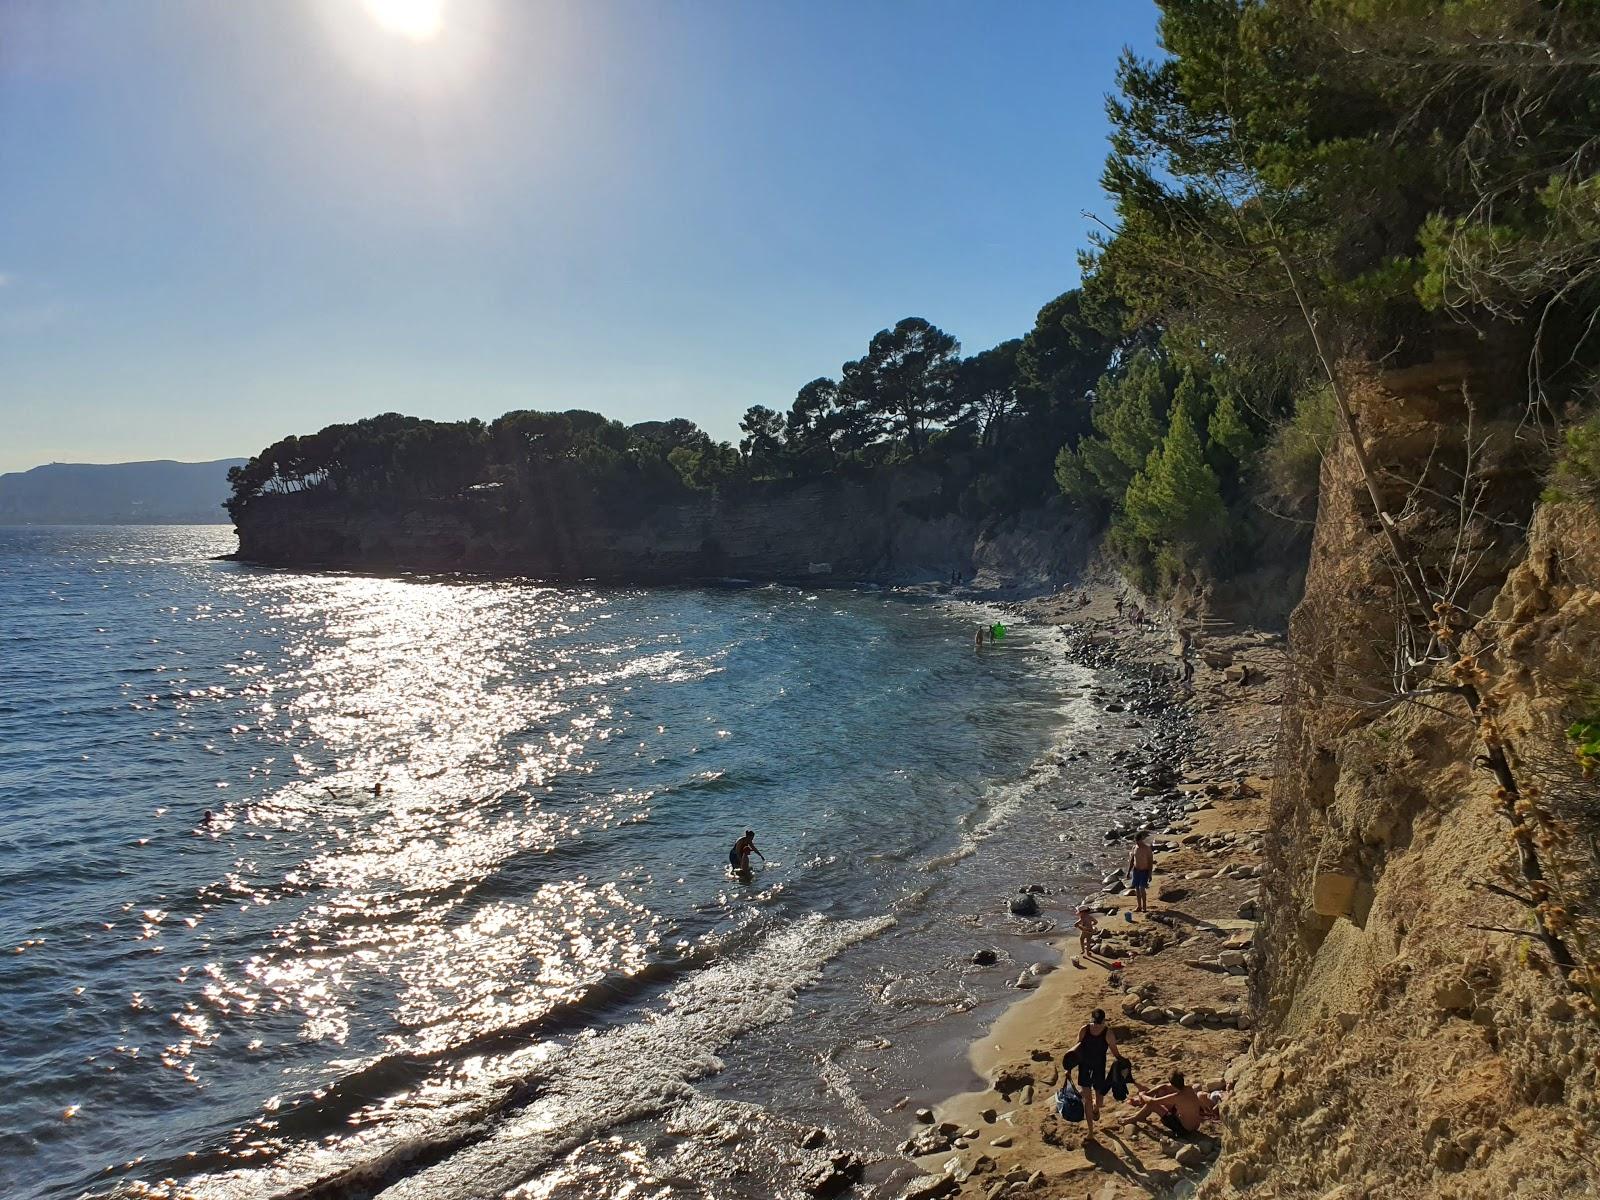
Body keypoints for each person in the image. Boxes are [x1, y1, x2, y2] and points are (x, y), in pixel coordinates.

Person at [1069, 1008, 1123, 1140]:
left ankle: (1096, 1108)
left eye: (1099, 1022)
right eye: (1097, 1022)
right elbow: (1076, 1049)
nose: (1098, 1025)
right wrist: (1068, 1067)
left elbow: (1114, 1051)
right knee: (1087, 1100)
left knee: (1099, 1102)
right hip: (1084, 1067)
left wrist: (1122, 1061)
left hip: (1099, 1068)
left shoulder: (1107, 1033)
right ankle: (1091, 1132)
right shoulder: (1084, 1029)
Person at [1119, 1070, 1208, 1137]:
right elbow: (1164, 1086)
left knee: (1152, 1106)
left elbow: (1152, 1102)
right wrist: (1149, 1093)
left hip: (1184, 1130)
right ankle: (1139, 1116)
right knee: (1160, 1094)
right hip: (1195, 1126)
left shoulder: (1176, 1096)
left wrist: (1142, 1095)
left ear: (1172, 1083)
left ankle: (1132, 1119)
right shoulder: (1189, 1089)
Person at [1128, 831, 1155, 913]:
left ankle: (1144, 907)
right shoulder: (1134, 848)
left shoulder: (1147, 848)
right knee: (1137, 889)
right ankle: (1139, 906)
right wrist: (1128, 871)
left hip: (1144, 871)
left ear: (1141, 840)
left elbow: (1150, 862)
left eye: (1138, 842)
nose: (1137, 844)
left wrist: (1150, 874)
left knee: (1142, 888)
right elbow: (1132, 860)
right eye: (1135, 842)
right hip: (1136, 871)